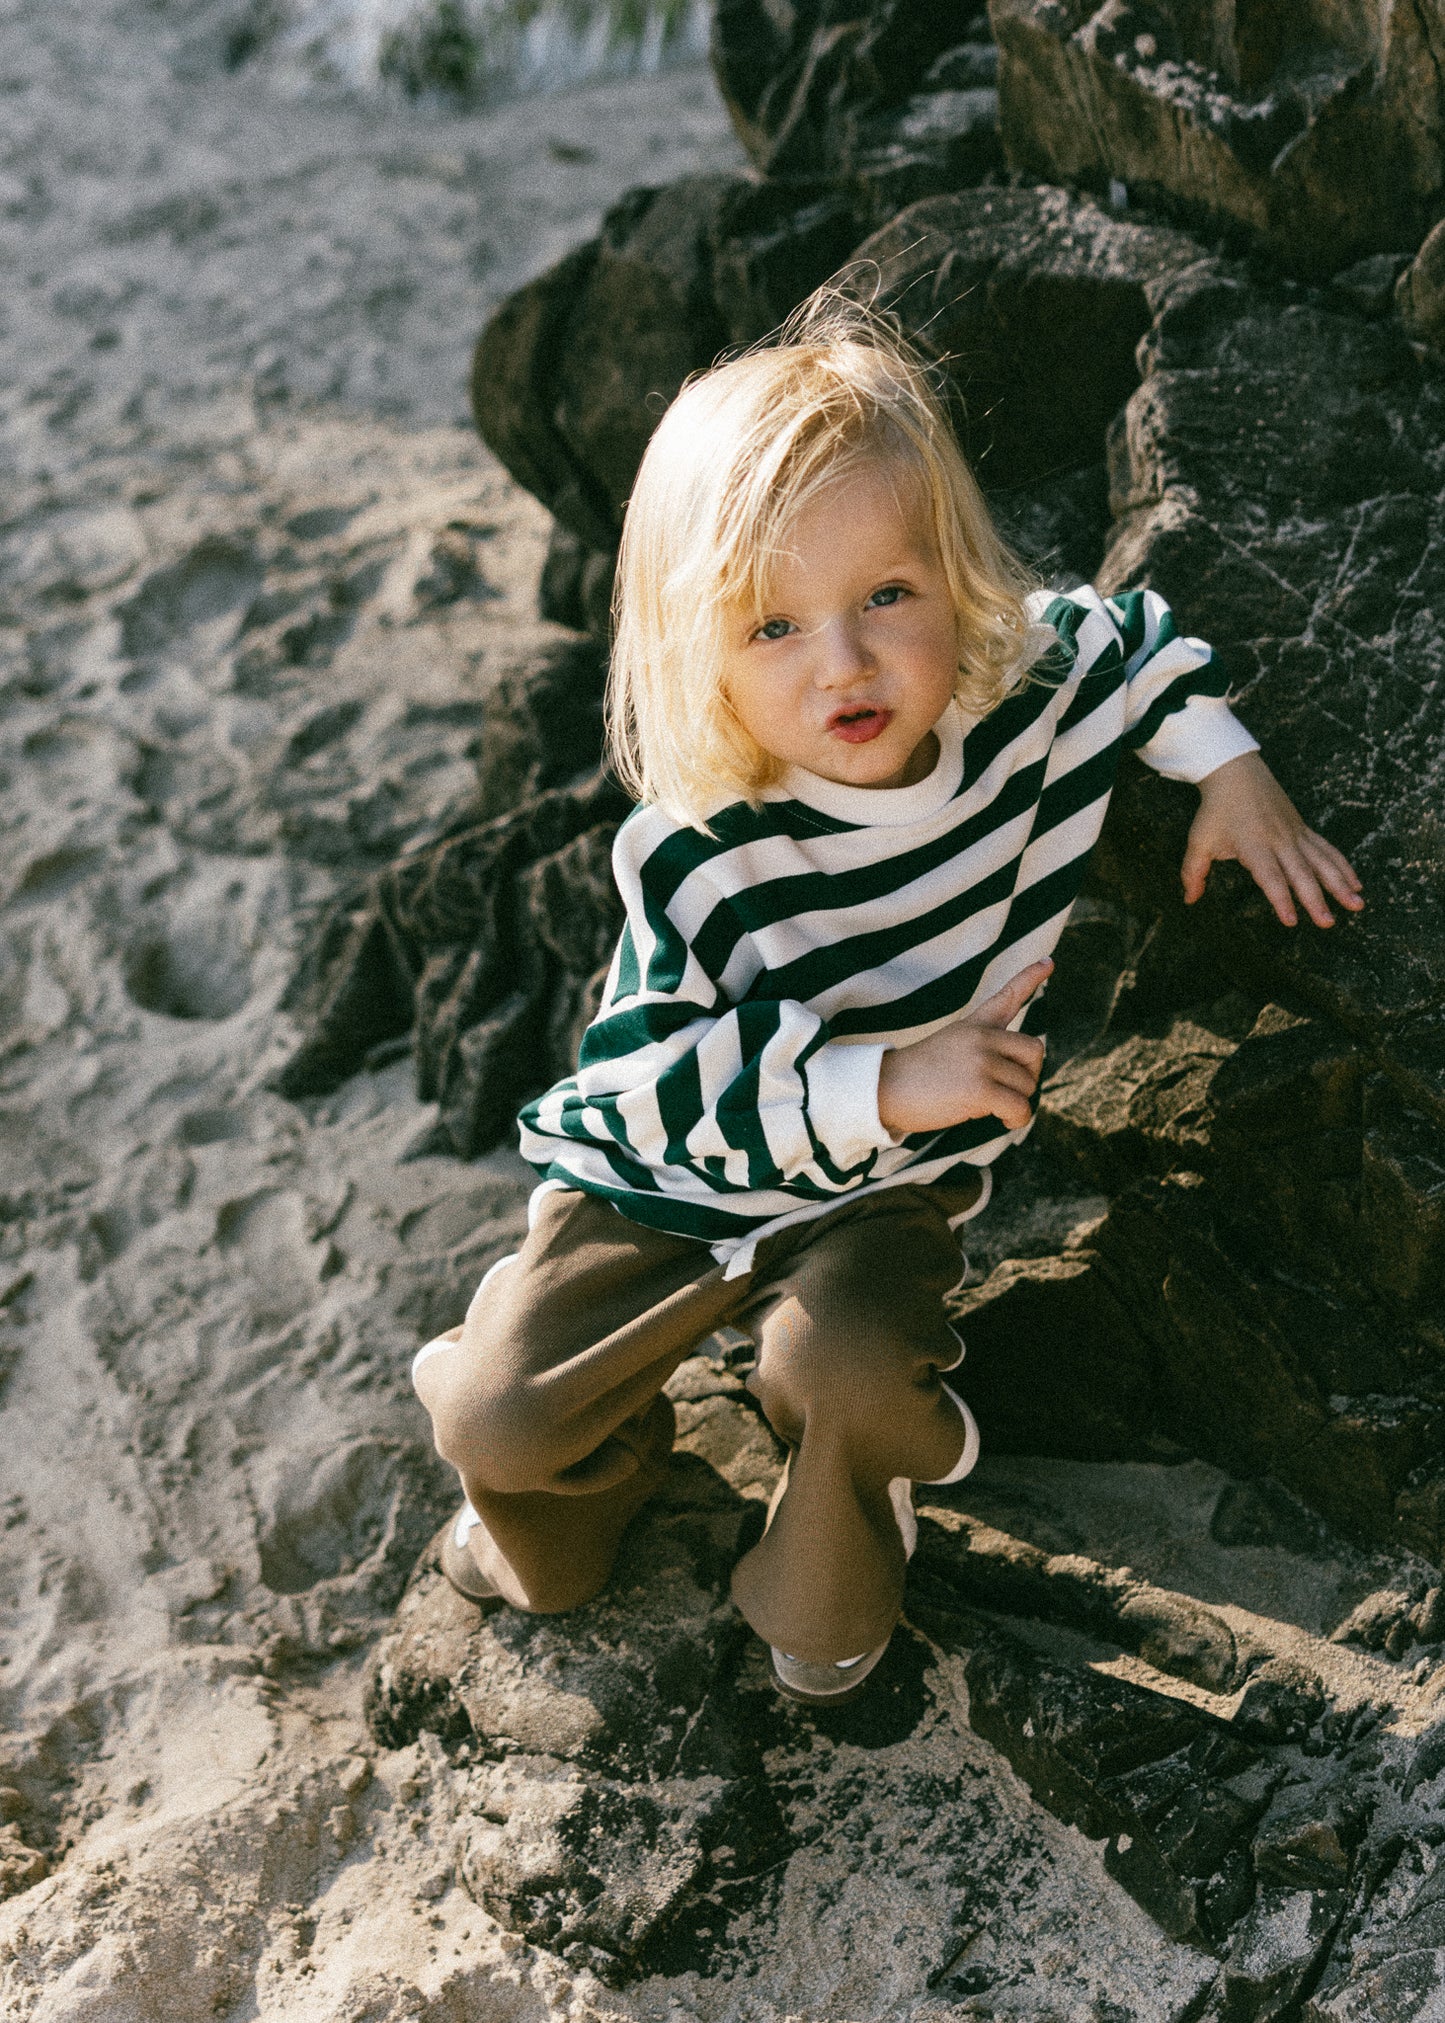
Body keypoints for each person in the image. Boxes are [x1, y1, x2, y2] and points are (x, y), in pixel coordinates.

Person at [411, 293, 1363, 1705]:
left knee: (850, 1392)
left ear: (951, 574)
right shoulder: (697, 844)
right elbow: (645, 1094)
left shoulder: (1012, 702)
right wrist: (880, 1082)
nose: (844, 663)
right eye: (772, 626)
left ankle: (828, 1565)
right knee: (504, 1426)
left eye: (887, 597)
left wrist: (1228, 770)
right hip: (670, 1182)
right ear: (695, 651)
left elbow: (1131, 637)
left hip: (878, 1191)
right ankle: (541, 1502)